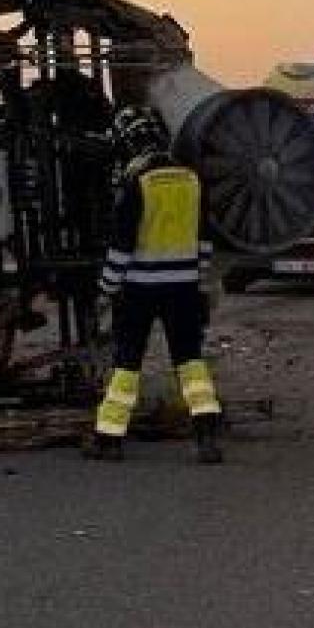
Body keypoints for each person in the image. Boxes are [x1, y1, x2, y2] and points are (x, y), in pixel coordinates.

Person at [86, 107, 223, 464]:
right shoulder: (192, 180)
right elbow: (205, 240)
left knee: (127, 362)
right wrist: (200, 283)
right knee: (190, 361)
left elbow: (122, 244)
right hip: (184, 289)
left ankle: (109, 439)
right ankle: (207, 435)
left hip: (140, 289)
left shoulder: (136, 183)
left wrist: (106, 287)